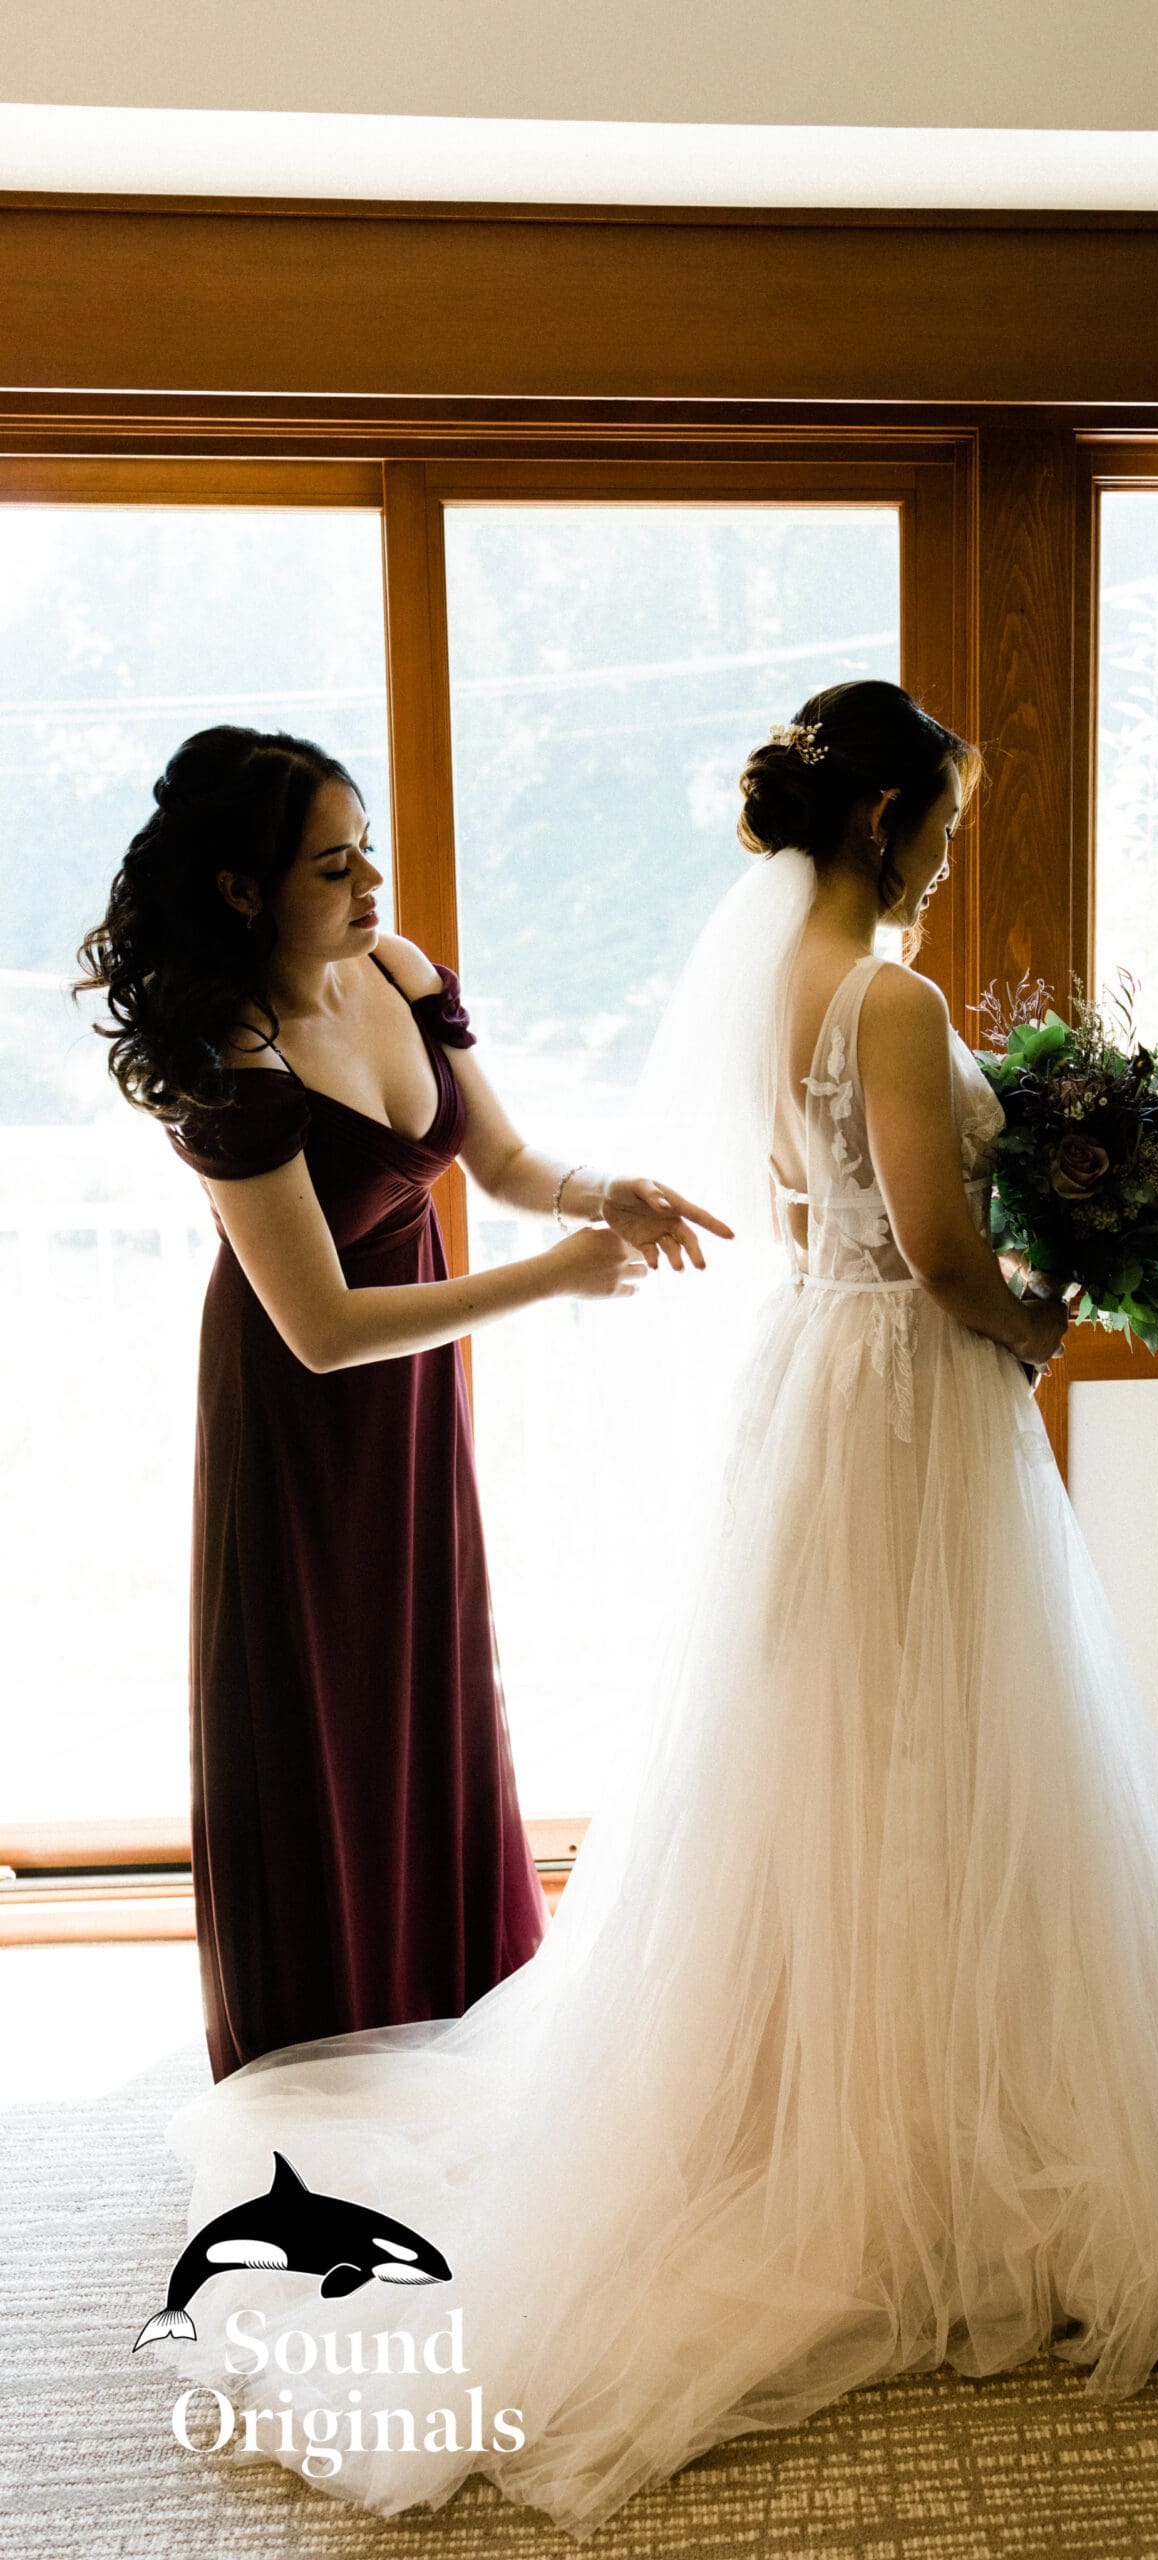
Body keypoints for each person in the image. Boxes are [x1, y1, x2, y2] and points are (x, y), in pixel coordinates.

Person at [145, 685, 1158, 2538]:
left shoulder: (761, 978)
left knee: (835, 1741)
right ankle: (911, 2103)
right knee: (937, 1730)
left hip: (818, 1382)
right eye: (943, 820)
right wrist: (1038, 1319)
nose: (948, 852)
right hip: (832, 1390)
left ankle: (828, 2075)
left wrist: (605, 1204)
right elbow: (936, 1252)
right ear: (886, 821)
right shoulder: (884, 997)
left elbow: (609, 1174)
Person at [76, 725, 729, 2081]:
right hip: (300, 1420)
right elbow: (318, 1332)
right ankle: (324, 2050)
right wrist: (554, 1280)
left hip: (413, 1397)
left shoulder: (397, 969)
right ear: (243, 889)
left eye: (366, 846)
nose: (371, 880)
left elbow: (504, 1160)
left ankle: (455, 2002)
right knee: (319, 1710)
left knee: (433, 1681)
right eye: (333, 865)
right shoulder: (229, 1055)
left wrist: (602, 1194)